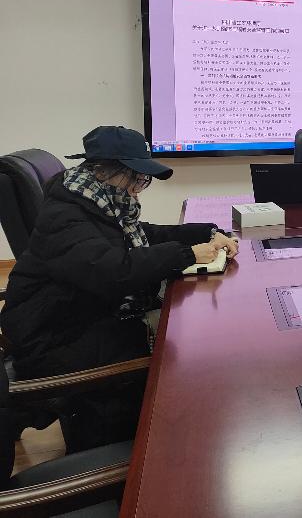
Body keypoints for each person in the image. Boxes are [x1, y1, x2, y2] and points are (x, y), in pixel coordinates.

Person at [0, 126, 238, 451]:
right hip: (55, 337)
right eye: (136, 179)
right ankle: (159, 446)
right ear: (104, 171)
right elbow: (115, 271)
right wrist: (186, 254)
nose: (139, 189)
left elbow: (143, 235)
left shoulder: (93, 200)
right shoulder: (65, 216)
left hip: (79, 316)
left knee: (181, 331)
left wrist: (205, 233)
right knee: (178, 347)